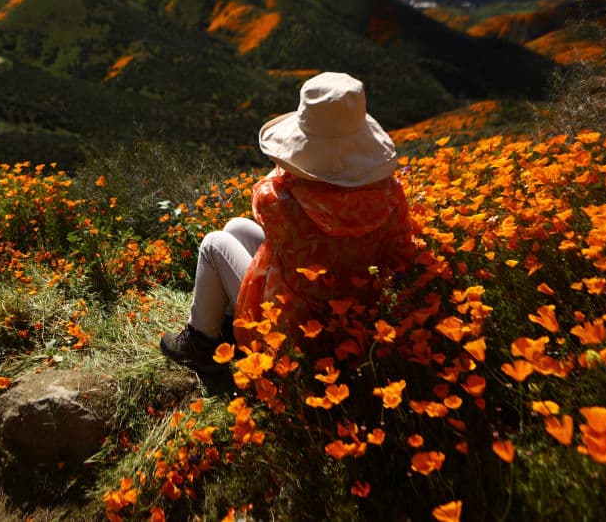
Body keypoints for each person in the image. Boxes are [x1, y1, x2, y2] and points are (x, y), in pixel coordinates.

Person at [160, 72, 416, 374]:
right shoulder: (390, 194)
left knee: (215, 243)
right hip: (354, 315)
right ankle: (228, 323)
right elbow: (401, 246)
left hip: (288, 329)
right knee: (236, 229)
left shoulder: (279, 200)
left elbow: (267, 190)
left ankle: (200, 343)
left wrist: (296, 167)